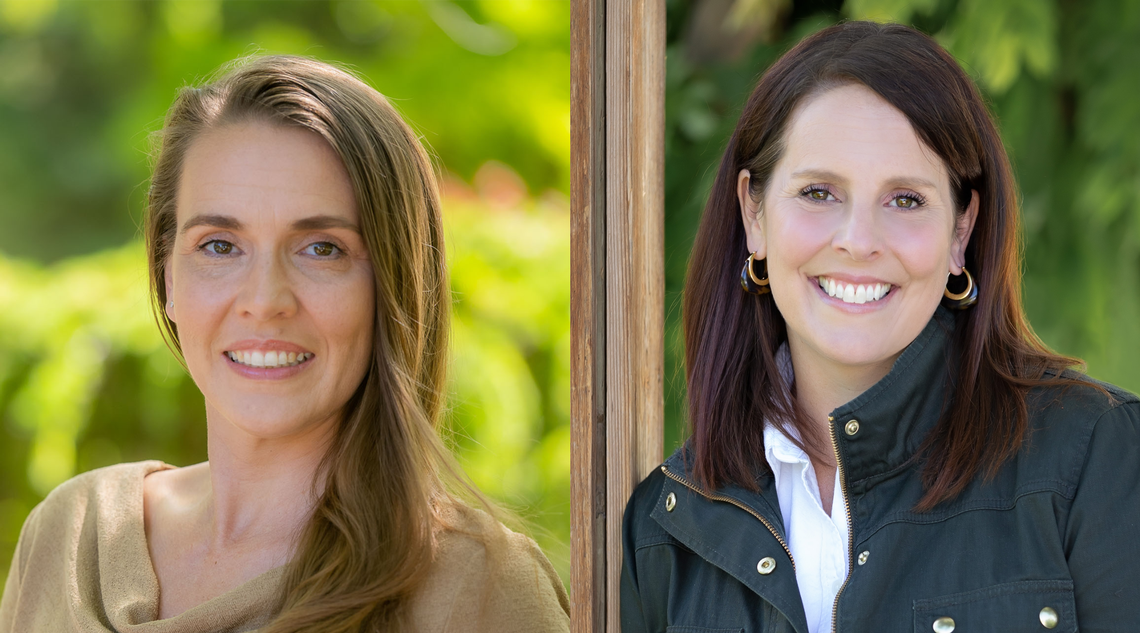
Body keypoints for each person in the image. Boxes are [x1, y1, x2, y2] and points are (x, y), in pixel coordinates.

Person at [0, 55, 569, 633]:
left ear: (393, 287)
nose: (265, 299)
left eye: (321, 248)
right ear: (168, 278)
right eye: (220, 246)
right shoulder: (68, 537)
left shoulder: (479, 589)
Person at [621, 21, 1139, 633]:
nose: (859, 242)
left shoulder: (1096, 458)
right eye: (818, 192)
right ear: (753, 213)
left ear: (961, 232)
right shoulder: (666, 526)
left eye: (905, 201)